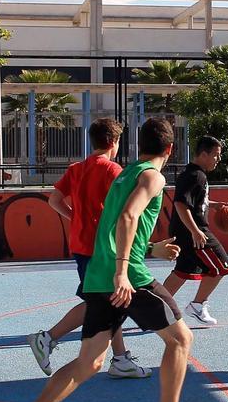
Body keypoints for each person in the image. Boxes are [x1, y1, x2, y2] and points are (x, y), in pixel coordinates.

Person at [0, 118, 211, 402]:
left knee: (90, 362)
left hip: (100, 273)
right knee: (180, 339)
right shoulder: (153, 177)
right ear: (171, 149)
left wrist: (152, 249)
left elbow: (112, 226)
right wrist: (123, 271)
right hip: (125, 276)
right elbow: (128, 218)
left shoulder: (126, 174)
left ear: (138, 145)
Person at [26, 118, 176, 379]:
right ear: (114, 142)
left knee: (108, 302)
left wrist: (75, 218)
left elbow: (54, 200)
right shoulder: (115, 171)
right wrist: (150, 247)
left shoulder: (76, 168)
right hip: (104, 247)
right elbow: (125, 215)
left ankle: (119, 358)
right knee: (103, 301)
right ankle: (48, 338)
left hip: (81, 244)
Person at [162, 136, 228, 329]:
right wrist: (195, 231)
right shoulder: (196, 176)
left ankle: (155, 309)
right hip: (193, 231)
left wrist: (214, 205)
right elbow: (180, 203)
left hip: (184, 231)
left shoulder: (193, 173)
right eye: (216, 155)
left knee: (182, 272)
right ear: (203, 154)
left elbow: (194, 201)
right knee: (222, 266)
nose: (218, 159)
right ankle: (197, 305)